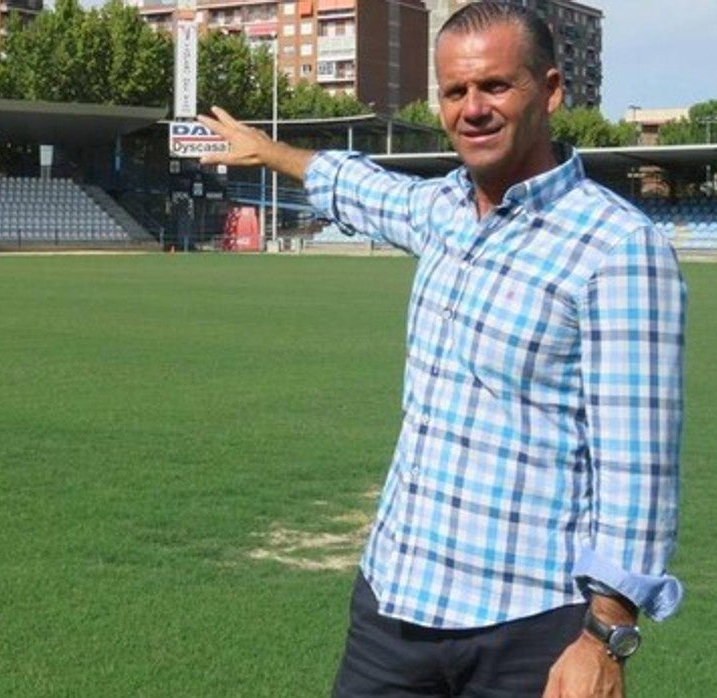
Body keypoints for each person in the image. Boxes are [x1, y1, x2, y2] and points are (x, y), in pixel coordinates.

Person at [199, 3, 685, 697]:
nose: (473, 109)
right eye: (456, 92)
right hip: (396, 600)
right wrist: (271, 151)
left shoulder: (617, 249)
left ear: (549, 91)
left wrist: (605, 637)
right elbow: (364, 188)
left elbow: (640, 466)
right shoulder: (444, 211)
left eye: (495, 86)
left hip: (529, 626)